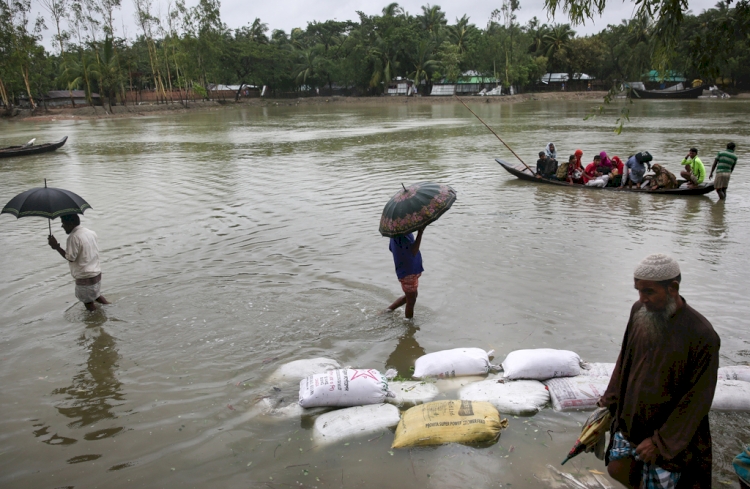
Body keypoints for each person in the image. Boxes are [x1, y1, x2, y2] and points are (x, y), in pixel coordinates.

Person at [599, 253, 719, 489]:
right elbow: (625, 358)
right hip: (632, 419)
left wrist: (660, 441)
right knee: (617, 468)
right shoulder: (639, 311)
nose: (642, 298)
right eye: (638, 291)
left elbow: (697, 400)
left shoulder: (702, 335)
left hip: (667, 431)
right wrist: (609, 402)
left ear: (673, 288)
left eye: (649, 292)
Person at [47, 214, 110, 311]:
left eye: (63, 223)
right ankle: (110, 307)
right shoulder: (91, 232)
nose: (62, 226)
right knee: (96, 295)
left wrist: (56, 247)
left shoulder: (73, 237)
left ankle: (98, 321)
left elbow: (71, 258)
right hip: (96, 273)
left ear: (71, 223)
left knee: (88, 304)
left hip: (85, 276)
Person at [387, 227, 425, 319]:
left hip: (406, 269)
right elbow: (414, 251)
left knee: (412, 296)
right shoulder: (402, 234)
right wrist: (420, 232)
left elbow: (391, 248)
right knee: (411, 300)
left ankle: (388, 310)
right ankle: (409, 324)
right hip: (408, 271)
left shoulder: (395, 233)